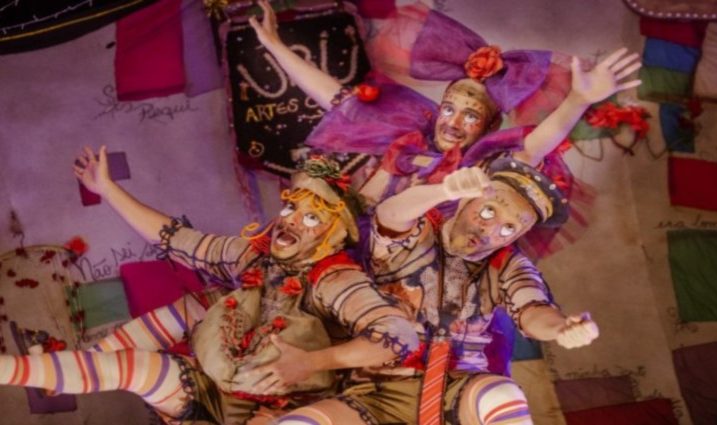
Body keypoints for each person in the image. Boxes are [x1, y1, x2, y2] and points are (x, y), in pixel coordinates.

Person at [0, 148, 418, 425]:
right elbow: (175, 239)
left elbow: (399, 337)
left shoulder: (336, 279)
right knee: (142, 364)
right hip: (214, 391)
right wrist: (107, 189)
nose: (291, 220)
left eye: (312, 217)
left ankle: (62, 368)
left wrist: (311, 362)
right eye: (291, 207)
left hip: (291, 409)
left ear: (335, 235)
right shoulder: (252, 254)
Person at [272, 160, 598, 425]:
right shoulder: (417, 232)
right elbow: (390, 215)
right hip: (375, 390)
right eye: (488, 211)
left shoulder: (508, 264)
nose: (491, 229)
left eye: (510, 228)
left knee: (502, 396)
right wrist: (445, 189)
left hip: (459, 388)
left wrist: (561, 328)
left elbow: (532, 309)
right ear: (467, 200)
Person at [249, 0, 641, 207]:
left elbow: (536, 146)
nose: (452, 122)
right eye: (450, 109)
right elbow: (332, 95)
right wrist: (274, 45)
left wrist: (578, 99)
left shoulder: (486, 162)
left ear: (488, 128)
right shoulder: (407, 131)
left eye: (470, 116)